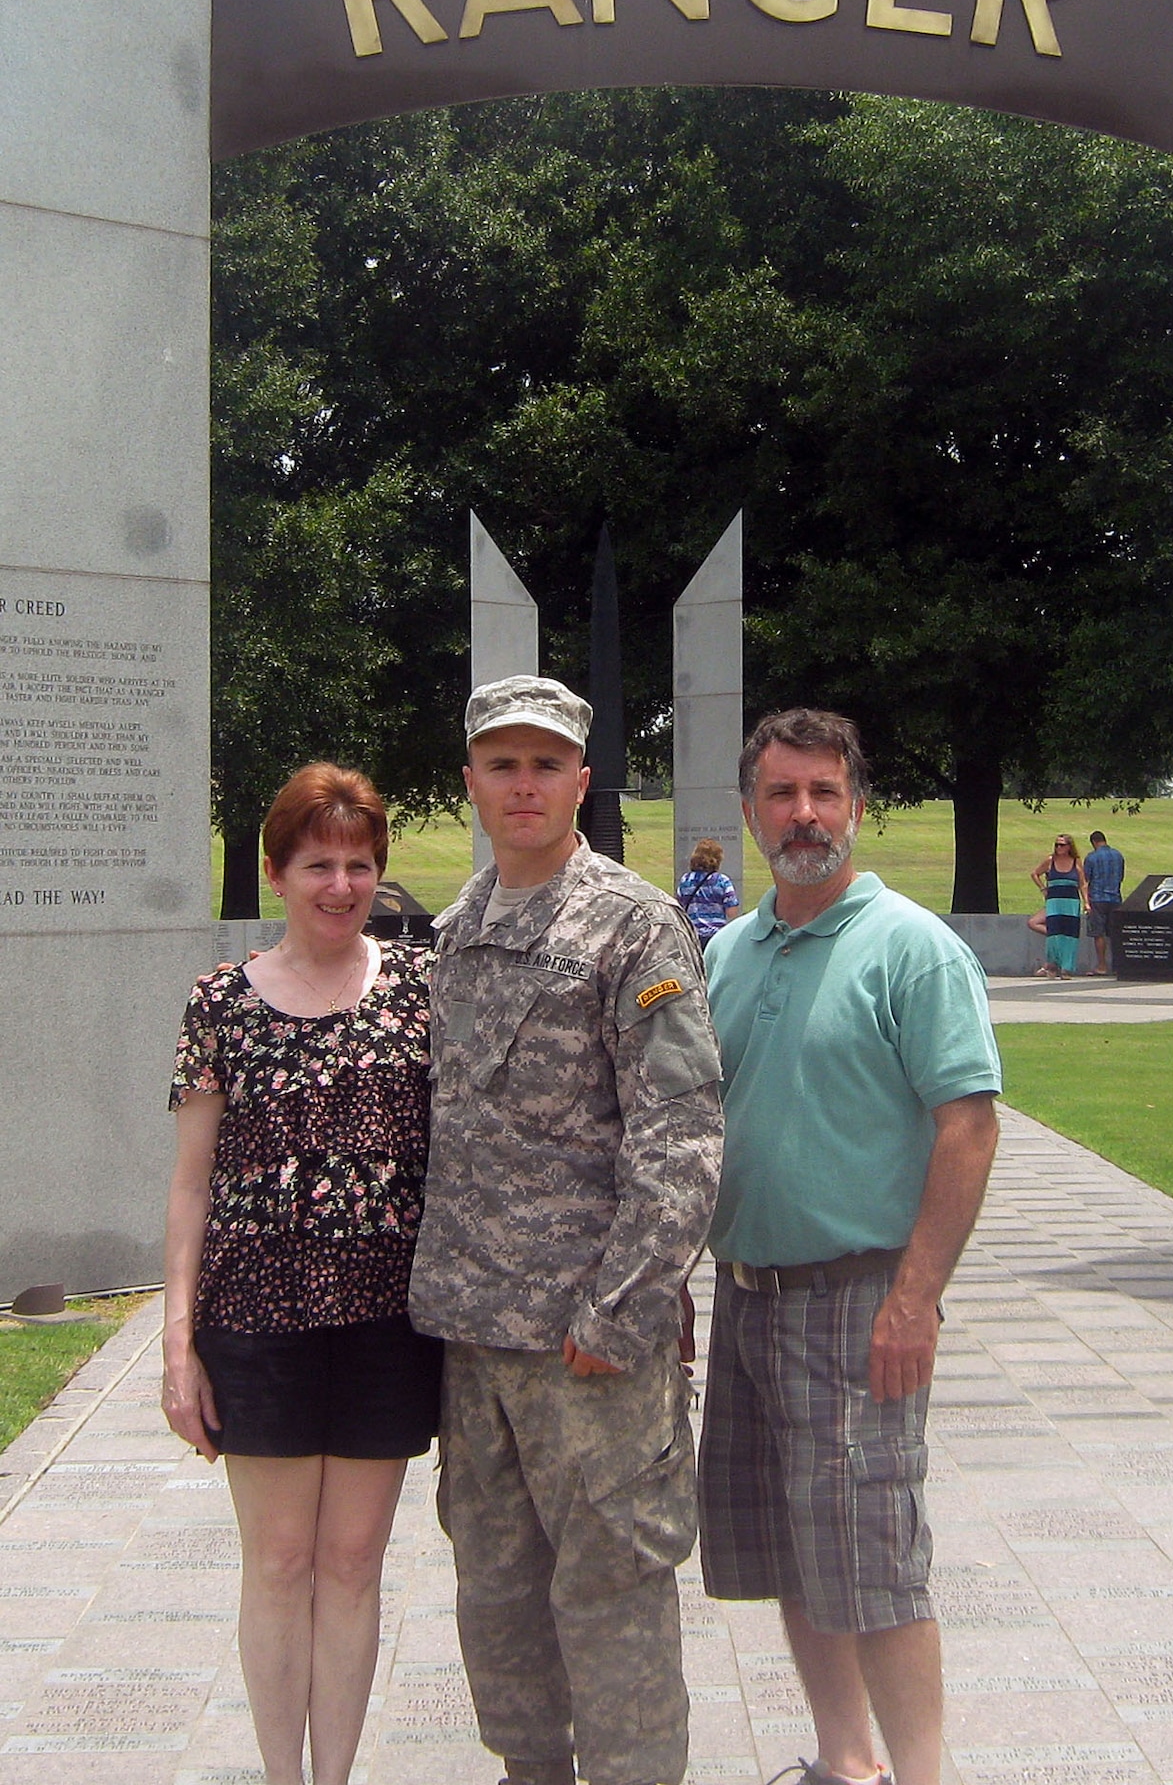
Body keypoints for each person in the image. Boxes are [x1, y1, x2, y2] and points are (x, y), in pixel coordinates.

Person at [407, 675, 724, 1785]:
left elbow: (680, 1128)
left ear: (581, 781)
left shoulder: (633, 924)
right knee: (494, 1594)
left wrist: (625, 1304)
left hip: (588, 1341)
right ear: (471, 785)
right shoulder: (449, 934)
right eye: (503, 763)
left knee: (611, 1591)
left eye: (547, 764)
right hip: (473, 1340)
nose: (525, 783)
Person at [697, 708, 1001, 1785]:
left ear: (857, 805)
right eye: (781, 794)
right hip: (745, 1295)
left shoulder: (912, 948)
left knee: (872, 1557)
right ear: (748, 813)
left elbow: (969, 1122)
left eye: (824, 792)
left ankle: (917, 1775)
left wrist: (914, 1298)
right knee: (791, 1544)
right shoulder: (727, 951)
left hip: (859, 1295)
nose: (804, 813)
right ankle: (845, 1761)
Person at [162, 763, 442, 1785]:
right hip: (256, 1319)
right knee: (279, 1560)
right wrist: (175, 1343)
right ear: (277, 870)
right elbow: (190, 1184)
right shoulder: (220, 1001)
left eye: (359, 863)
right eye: (318, 862)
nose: (340, 883)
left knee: (353, 1561)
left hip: (386, 1320)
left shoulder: (418, 990)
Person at [1030, 833, 1087, 977]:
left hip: (1071, 902)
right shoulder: (1050, 861)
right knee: (1054, 934)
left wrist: (1087, 902)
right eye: (1056, 845)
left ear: (1069, 847)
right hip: (1054, 901)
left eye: (1061, 845)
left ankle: (1067, 968)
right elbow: (1035, 873)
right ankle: (1052, 965)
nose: (1058, 848)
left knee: (1070, 935)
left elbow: (1082, 884)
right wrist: (1043, 888)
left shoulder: (1076, 862)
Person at [676, 837, 740, 946]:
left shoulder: (685, 880)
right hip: (717, 937)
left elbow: (679, 908)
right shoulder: (722, 881)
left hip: (693, 937)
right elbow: (732, 912)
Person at [1084, 828, 1126, 975]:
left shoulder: (1091, 857)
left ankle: (1102, 966)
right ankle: (1118, 965)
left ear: (1094, 842)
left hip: (1097, 898)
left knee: (1099, 933)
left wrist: (1086, 901)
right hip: (1115, 897)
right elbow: (1121, 877)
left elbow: (1086, 880)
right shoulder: (1118, 855)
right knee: (1114, 933)